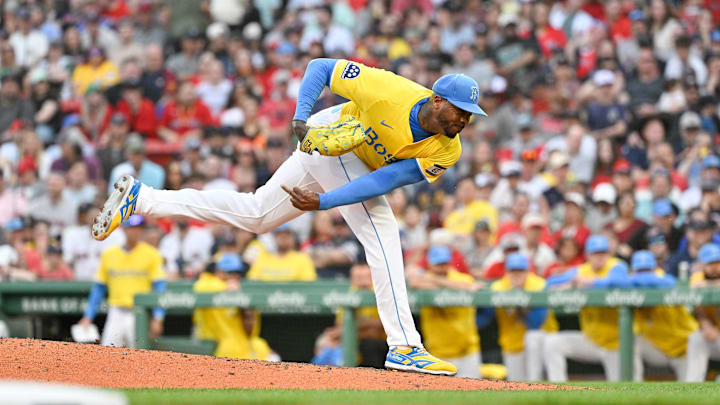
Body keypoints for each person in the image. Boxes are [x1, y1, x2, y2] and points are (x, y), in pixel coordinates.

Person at [92, 59, 487, 375]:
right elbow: (320, 67)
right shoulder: (390, 91)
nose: (465, 120)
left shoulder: (448, 150)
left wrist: (325, 202)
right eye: (460, 110)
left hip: (356, 161)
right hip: (327, 132)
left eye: (470, 114)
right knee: (381, 232)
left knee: (258, 215)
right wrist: (301, 116)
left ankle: (143, 199)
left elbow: (383, 180)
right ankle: (405, 347)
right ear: (437, 100)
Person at [544, 235, 631, 382]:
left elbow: (619, 281)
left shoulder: (616, 266)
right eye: (595, 253)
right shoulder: (581, 270)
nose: (599, 257)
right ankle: (558, 392)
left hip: (616, 344)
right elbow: (550, 282)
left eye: (603, 253)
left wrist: (589, 282)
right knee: (552, 343)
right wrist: (570, 283)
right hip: (590, 340)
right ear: (587, 255)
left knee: (620, 391)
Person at [79, 215, 166, 348]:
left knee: (139, 356)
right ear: (124, 229)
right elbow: (99, 289)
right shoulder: (109, 254)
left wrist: (158, 317)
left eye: (138, 228)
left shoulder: (152, 254)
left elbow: (159, 288)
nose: (135, 231)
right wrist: (88, 316)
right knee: (108, 354)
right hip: (116, 311)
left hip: (139, 313)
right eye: (131, 228)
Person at [477, 253, 558, 381]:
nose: (517, 275)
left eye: (520, 271)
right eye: (513, 271)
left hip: (542, 341)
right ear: (507, 272)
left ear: (527, 271)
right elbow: (485, 317)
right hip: (512, 342)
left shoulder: (539, 285)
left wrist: (519, 303)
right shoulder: (498, 287)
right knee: (516, 384)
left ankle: (535, 382)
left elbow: (535, 323)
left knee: (532, 337)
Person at [409, 246, 482, 378]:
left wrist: (434, 281)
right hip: (438, 353)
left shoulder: (462, 278)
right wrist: (439, 281)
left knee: (474, 395)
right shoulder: (424, 279)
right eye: (438, 264)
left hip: (467, 350)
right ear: (430, 264)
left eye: (444, 264)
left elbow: (468, 285)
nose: (442, 268)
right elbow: (414, 281)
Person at [193, 254, 280, 361]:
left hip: (243, 343)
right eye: (231, 273)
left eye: (238, 273)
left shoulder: (241, 290)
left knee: (272, 357)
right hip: (216, 344)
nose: (235, 277)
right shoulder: (208, 283)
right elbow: (199, 288)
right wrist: (225, 288)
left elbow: (251, 330)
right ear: (219, 272)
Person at [629, 250, 698, 381]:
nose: (644, 275)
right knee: (629, 340)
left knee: (690, 393)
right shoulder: (630, 285)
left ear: (654, 269)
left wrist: (638, 280)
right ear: (633, 271)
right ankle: (633, 391)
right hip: (657, 349)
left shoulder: (663, 280)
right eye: (640, 271)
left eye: (647, 270)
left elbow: (669, 282)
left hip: (683, 348)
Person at [686, 243, 720, 381]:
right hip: (715, 337)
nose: (715, 267)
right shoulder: (697, 277)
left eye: (717, 262)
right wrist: (706, 326)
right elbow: (698, 309)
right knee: (696, 338)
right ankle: (692, 389)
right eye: (710, 263)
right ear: (702, 265)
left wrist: (708, 285)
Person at [247, 224, 317, 282]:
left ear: (293, 238)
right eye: (279, 234)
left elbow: (308, 285)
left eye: (287, 234)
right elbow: (252, 282)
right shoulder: (262, 259)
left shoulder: (302, 259)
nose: (283, 237)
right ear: (274, 238)